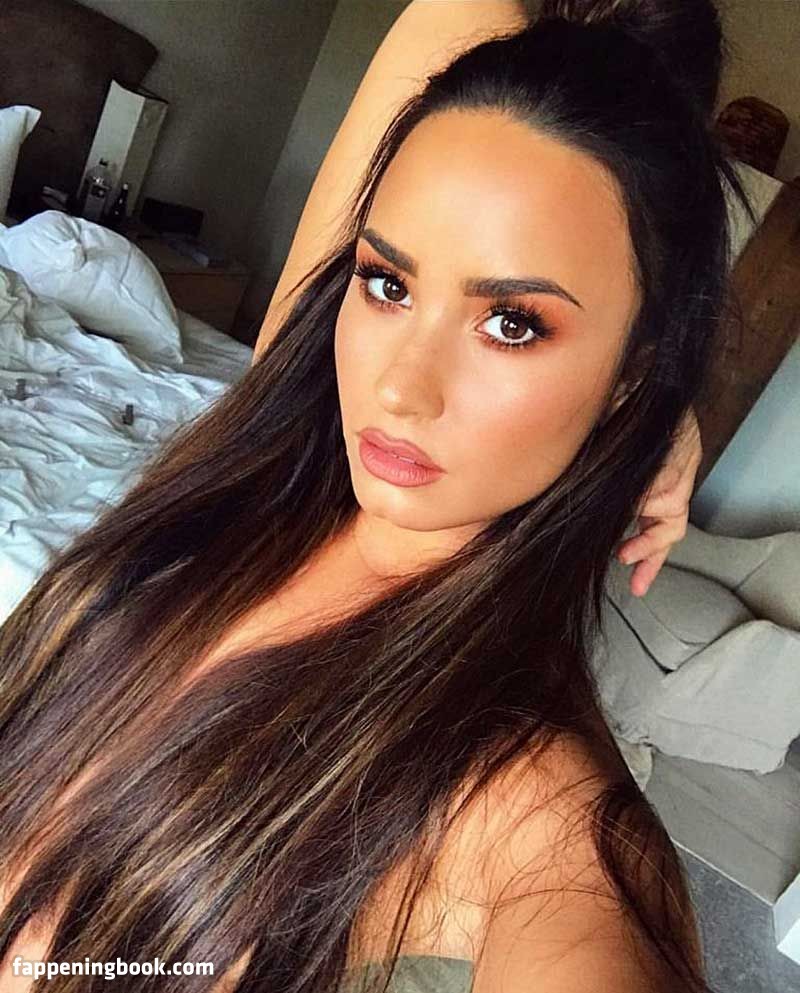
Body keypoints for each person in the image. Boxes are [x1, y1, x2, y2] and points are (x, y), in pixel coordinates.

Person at [0, 1, 754, 992]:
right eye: (388, 284)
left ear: (632, 373)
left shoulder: (530, 797)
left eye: (512, 323)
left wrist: (657, 418)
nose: (398, 389)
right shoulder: (269, 458)